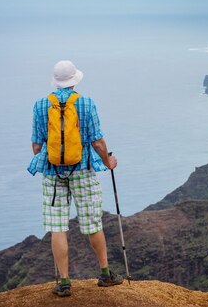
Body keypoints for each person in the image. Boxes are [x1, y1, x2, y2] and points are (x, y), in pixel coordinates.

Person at [27, 60, 124, 297]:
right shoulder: (86, 103)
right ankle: (105, 273)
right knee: (92, 223)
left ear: (55, 80)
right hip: (83, 171)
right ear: (74, 80)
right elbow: (98, 141)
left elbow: (36, 144)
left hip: (52, 172)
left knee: (58, 227)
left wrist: (51, 161)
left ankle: (64, 282)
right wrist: (107, 161)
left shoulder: (41, 105)